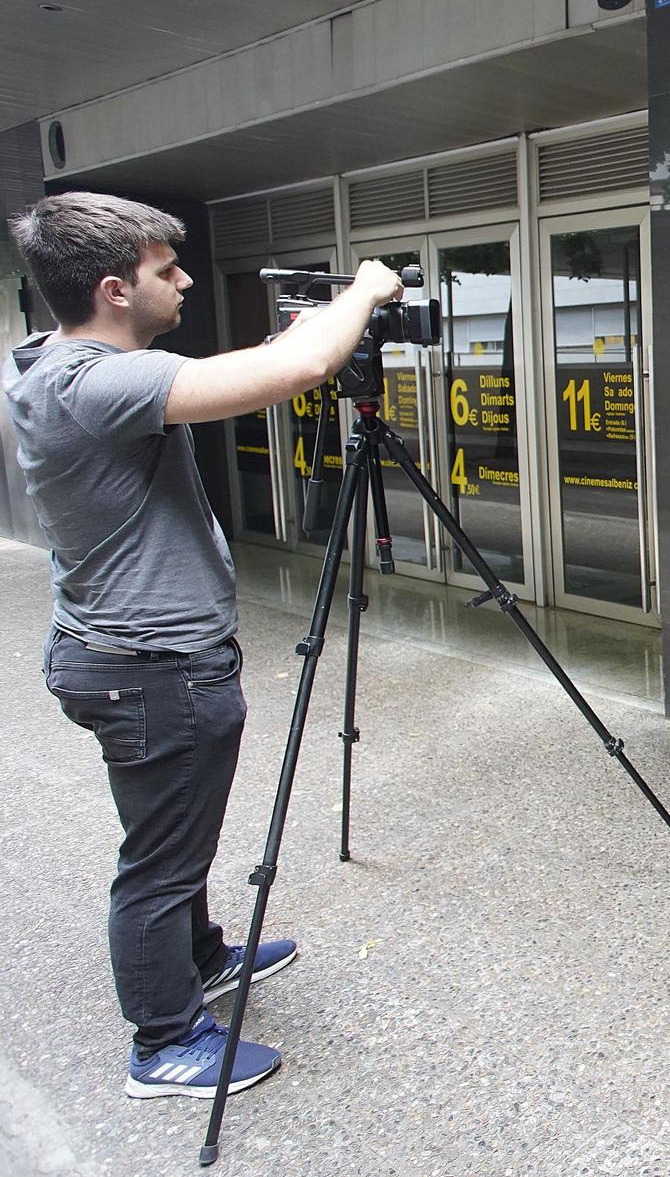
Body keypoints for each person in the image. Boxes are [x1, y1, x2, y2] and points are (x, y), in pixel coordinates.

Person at [4, 192, 404, 1099]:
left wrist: (303, 336)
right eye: (164, 271)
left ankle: (203, 957)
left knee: (170, 830)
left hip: (122, 655)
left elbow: (242, 367)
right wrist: (364, 292)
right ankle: (164, 1039)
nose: (183, 280)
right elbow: (300, 368)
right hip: (151, 670)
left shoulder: (59, 361)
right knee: (161, 859)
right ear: (113, 289)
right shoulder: (95, 384)